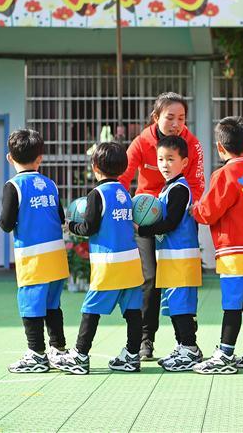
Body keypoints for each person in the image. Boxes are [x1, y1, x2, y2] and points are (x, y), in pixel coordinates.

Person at [119, 92, 205, 361]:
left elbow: (197, 184)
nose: (176, 124)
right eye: (170, 117)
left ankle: (186, 341)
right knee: (150, 278)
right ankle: (146, 339)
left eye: (182, 118)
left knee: (181, 280)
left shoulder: (192, 144)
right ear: (156, 117)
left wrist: (187, 211)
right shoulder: (140, 142)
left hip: (177, 217)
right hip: (145, 220)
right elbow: (122, 178)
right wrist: (121, 209)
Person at [191, 116, 243, 374]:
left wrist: (194, 209)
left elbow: (208, 212)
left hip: (233, 251)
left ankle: (225, 354)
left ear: (220, 147)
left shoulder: (224, 175)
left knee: (232, 304)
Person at [58, 142, 145, 374]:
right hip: (131, 261)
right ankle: (132, 355)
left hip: (109, 263)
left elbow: (89, 227)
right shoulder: (125, 194)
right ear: (123, 167)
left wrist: (71, 226)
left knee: (91, 309)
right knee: (133, 311)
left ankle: (80, 355)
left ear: (95, 167)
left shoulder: (96, 194)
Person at [0, 129, 70, 373]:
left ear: (10, 158)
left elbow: (6, 223)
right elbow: (60, 217)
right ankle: (58, 350)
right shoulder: (50, 184)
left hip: (32, 258)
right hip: (56, 256)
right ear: (40, 158)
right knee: (52, 305)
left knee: (30, 305)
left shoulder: (13, 186)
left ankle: (37, 354)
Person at [137, 135, 203, 371]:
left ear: (184, 162)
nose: (164, 164)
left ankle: (189, 348)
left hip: (181, 258)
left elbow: (170, 223)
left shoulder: (179, 189)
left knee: (182, 306)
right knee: (175, 306)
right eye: (160, 159)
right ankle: (183, 346)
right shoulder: (168, 188)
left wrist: (142, 229)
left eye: (170, 159)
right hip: (171, 258)